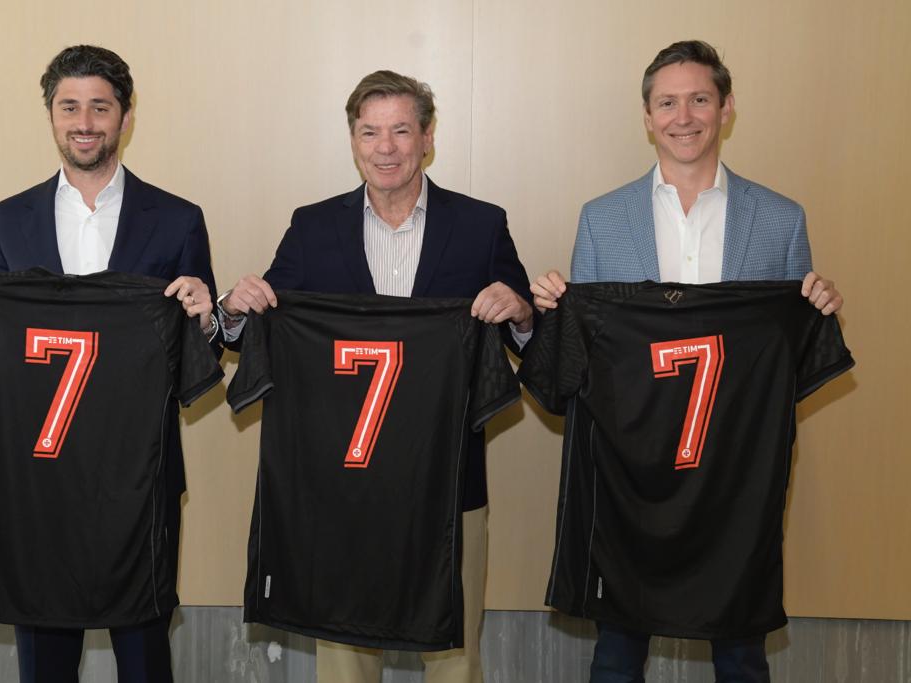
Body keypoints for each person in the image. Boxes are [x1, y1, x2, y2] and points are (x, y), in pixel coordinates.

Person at [531, 40, 844, 682]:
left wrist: (820, 309)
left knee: (741, 656)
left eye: (700, 99)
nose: (684, 116)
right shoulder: (602, 218)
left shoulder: (781, 219)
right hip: (632, 475)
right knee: (618, 655)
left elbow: (786, 363)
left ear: (726, 108)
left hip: (734, 478)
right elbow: (589, 357)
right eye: (667, 102)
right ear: (647, 117)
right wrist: (552, 311)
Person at [218, 70, 532, 683]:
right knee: (345, 652)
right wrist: (234, 308)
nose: (385, 147)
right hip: (344, 486)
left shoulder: (480, 226)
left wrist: (520, 314)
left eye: (401, 131)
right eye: (370, 132)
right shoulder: (313, 227)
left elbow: (531, 335)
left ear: (428, 138)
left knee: (455, 657)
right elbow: (267, 324)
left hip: (449, 483)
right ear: (353, 140)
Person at [0, 44, 220, 683]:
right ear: (50, 115)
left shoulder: (178, 220)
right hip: (41, 477)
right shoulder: (7, 220)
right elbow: (2, 351)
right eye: (69, 107)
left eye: (99, 106)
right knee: (45, 660)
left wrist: (205, 321)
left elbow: (195, 369)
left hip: (139, 475)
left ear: (125, 116)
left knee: (144, 656)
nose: (84, 122)